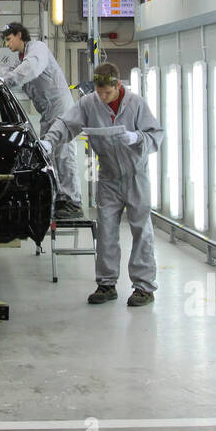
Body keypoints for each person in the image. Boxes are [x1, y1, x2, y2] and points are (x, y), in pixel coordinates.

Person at [40, 62, 164, 307]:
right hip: (107, 176)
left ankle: (144, 287)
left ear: (118, 86)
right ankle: (106, 284)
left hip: (136, 175)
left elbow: (156, 135)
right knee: (106, 230)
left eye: (107, 92)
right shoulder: (90, 103)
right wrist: (49, 141)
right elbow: (66, 123)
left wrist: (136, 137)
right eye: (99, 92)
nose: (103, 97)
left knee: (141, 230)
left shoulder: (137, 104)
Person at [0, 22, 82, 217]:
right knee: (49, 156)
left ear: (20, 35)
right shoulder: (20, 60)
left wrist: (6, 80)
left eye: (9, 39)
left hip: (61, 110)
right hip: (47, 113)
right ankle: (61, 198)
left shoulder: (37, 50)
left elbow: (30, 70)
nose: (7, 44)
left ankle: (74, 202)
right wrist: (2, 79)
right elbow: (11, 73)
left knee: (63, 154)